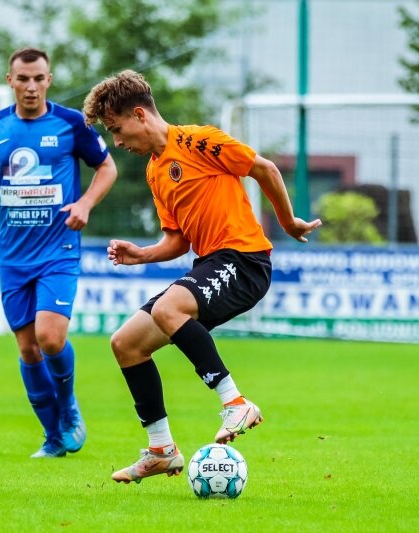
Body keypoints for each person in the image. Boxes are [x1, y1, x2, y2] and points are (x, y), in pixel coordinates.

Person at [81, 70, 321, 483]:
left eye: (116, 129)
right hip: (211, 263)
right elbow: (177, 240)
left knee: (169, 308)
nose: (116, 142)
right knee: (126, 344)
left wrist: (288, 222)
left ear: (139, 115)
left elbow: (264, 169)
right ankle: (162, 450)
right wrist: (142, 255)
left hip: (245, 260)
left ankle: (236, 403)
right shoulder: (155, 171)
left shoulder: (198, 141)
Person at [0, 48, 117, 458]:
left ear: (49, 80)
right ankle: (52, 437)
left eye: (38, 78)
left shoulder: (70, 123)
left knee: (50, 337)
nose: (31, 86)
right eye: (23, 79)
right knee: (28, 349)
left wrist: (85, 204)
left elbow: (107, 167)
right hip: (12, 254)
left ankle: (69, 409)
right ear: (10, 81)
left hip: (57, 249)